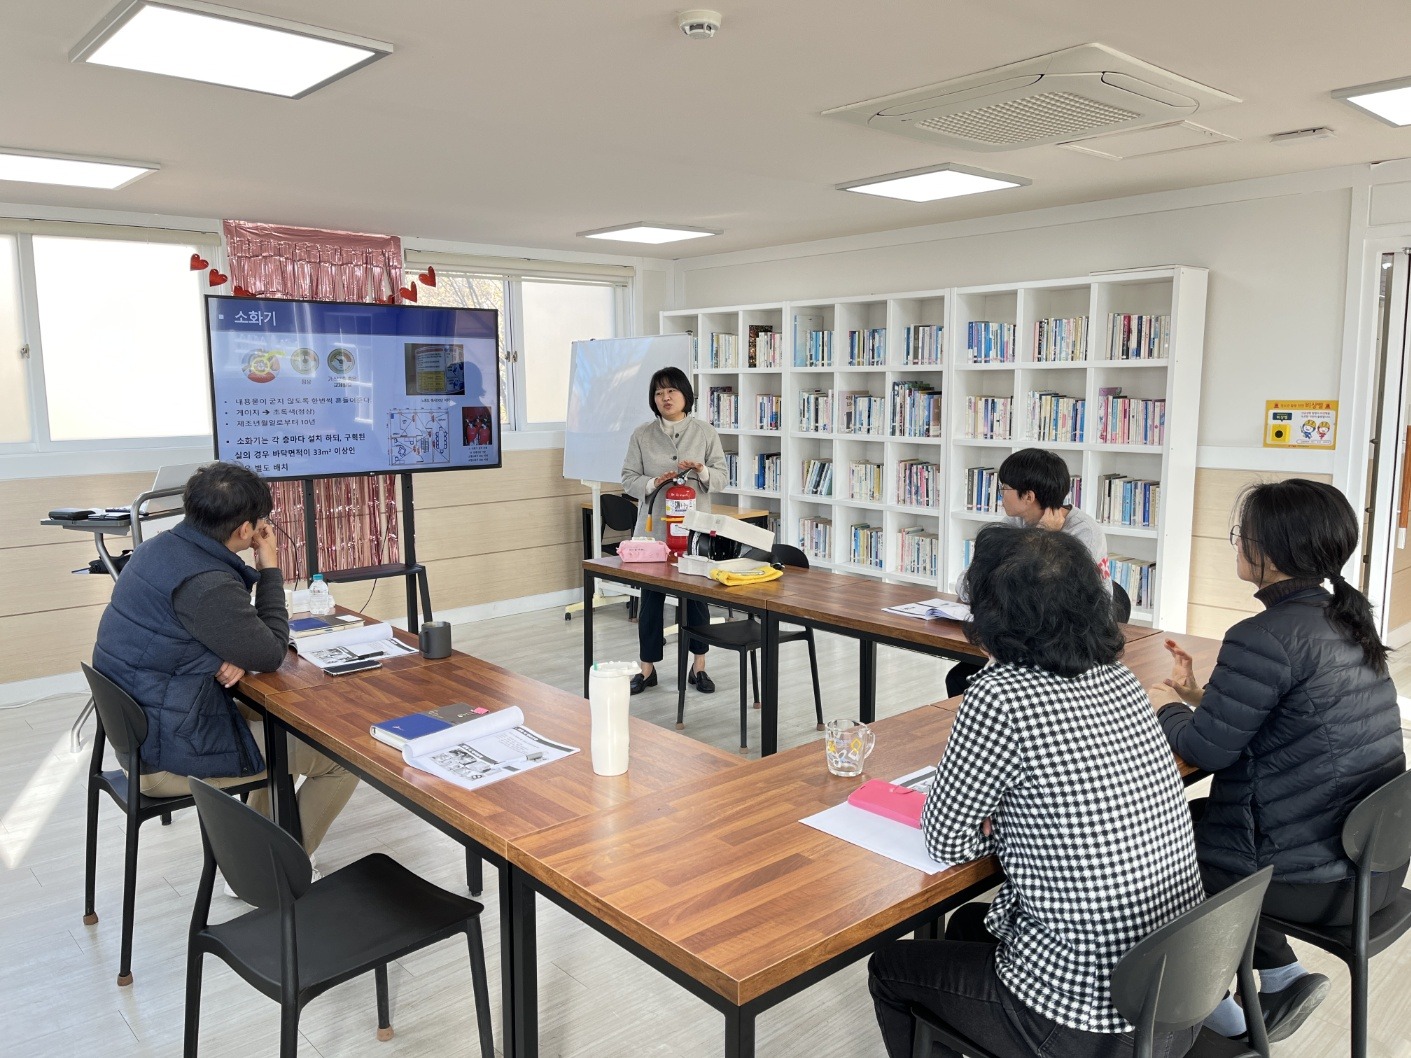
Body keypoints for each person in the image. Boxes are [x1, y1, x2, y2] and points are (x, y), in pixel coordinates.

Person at [870, 525, 1204, 1058]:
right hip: (1173, 1002)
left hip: (1084, 1024)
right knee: (968, 924)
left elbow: (946, 840)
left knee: (890, 969)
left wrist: (1008, 821)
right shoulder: (1120, 679)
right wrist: (1035, 819)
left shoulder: (1000, 694)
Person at [1152, 478, 1405, 1042]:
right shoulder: (1346, 617)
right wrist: (1200, 697)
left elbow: (1205, 751)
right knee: (1199, 827)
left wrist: (1163, 707)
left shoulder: (1263, 635)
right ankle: (1281, 975)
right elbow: (1294, 720)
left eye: (1241, 534)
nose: (1237, 543)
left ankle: (1211, 1014)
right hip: (1374, 863)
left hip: (1319, 878)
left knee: (1161, 850)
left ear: (1268, 550)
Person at [92, 462, 357, 858]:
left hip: (149, 725)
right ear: (245, 530)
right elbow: (270, 652)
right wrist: (270, 567)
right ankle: (273, 871)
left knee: (276, 726)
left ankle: (256, 852)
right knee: (341, 759)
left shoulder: (156, 549)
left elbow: (174, 632)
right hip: (167, 754)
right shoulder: (207, 584)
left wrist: (220, 653)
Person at [945, 447, 1109, 697]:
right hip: (1023, 633)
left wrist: (1043, 537)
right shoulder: (1015, 522)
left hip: (1065, 641)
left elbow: (1054, 604)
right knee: (958, 678)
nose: (1000, 494)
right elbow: (968, 585)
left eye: (1004, 488)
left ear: (1029, 496)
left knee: (969, 680)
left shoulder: (1084, 532)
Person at [620, 366, 728, 695]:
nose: (665, 398)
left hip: (695, 532)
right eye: (658, 392)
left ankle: (699, 667)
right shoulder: (642, 434)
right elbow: (628, 479)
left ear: (685, 395)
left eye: (671, 391)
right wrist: (655, 481)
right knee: (650, 601)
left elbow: (722, 478)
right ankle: (647, 669)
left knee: (696, 601)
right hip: (654, 532)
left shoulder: (705, 432)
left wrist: (702, 471)